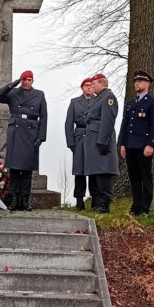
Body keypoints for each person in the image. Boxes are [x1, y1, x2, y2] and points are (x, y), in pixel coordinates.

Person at [0, 70, 47, 211]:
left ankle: (24, 201)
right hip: (16, 132)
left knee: (27, 169)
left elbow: (44, 116)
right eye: (24, 79)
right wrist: (13, 84)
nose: (27, 82)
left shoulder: (39, 95)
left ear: (32, 81)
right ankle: (13, 200)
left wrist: (41, 137)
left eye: (29, 80)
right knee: (15, 169)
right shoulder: (13, 93)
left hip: (31, 132)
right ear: (21, 80)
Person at [118, 69, 154, 216]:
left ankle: (144, 207)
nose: (136, 83)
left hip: (144, 146)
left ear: (147, 83)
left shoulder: (152, 102)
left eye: (140, 81)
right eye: (135, 81)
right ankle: (136, 206)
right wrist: (122, 144)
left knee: (145, 177)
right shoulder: (131, 103)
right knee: (134, 177)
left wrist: (151, 144)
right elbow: (125, 125)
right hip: (130, 146)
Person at [84, 73, 119, 213]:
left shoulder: (108, 97)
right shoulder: (97, 98)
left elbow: (107, 120)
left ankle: (104, 204)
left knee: (104, 171)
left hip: (101, 139)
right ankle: (96, 202)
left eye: (94, 84)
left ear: (101, 83)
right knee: (95, 171)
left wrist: (103, 141)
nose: (91, 87)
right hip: (93, 139)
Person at [64, 77, 96, 210]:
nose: (88, 87)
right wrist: (71, 142)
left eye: (90, 85)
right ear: (82, 87)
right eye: (86, 85)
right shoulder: (75, 102)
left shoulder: (99, 100)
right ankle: (79, 200)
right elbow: (68, 123)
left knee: (94, 170)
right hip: (80, 137)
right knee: (80, 170)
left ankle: (95, 199)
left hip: (94, 136)